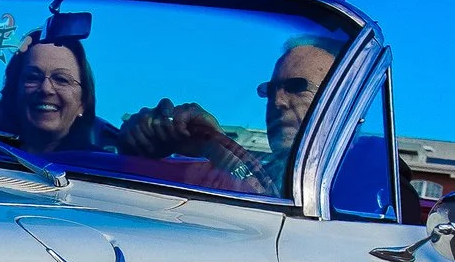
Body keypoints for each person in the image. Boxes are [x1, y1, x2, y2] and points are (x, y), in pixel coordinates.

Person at [115, 33, 344, 195]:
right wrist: (143, 144)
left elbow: (268, 200)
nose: (278, 101)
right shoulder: (272, 175)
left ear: (340, 102)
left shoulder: (361, 178)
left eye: (296, 87)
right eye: (271, 90)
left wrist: (215, 147)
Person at [0, 32, 117, 153]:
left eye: (61, 79)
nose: (46, 89)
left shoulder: (102, 169)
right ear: (14, 91)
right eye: (33, 77)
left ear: (83, 103)